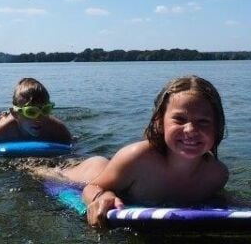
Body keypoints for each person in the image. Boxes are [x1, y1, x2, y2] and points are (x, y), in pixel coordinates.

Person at [51, 75, 229, 228]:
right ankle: (38, 167)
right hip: (89, 174)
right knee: (47, 172)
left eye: (203, 121)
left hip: (119, 173)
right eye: (179, 119)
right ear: (160, 122)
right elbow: (92, 186)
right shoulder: (138, 157)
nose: (190, 129)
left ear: (217, 126)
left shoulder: (216, 175)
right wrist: (103, 195)